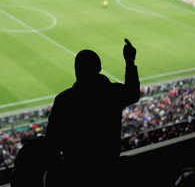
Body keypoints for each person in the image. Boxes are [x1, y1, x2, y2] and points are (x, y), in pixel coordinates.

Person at [44, 38, 140, 187]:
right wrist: (129, 62)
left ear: (77, 71)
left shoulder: (64, 100)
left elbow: (52, 142)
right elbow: (133, 93)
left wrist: (59, 172)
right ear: (99, 68)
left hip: (76, 172)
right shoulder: (112, 93)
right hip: (109, 167)